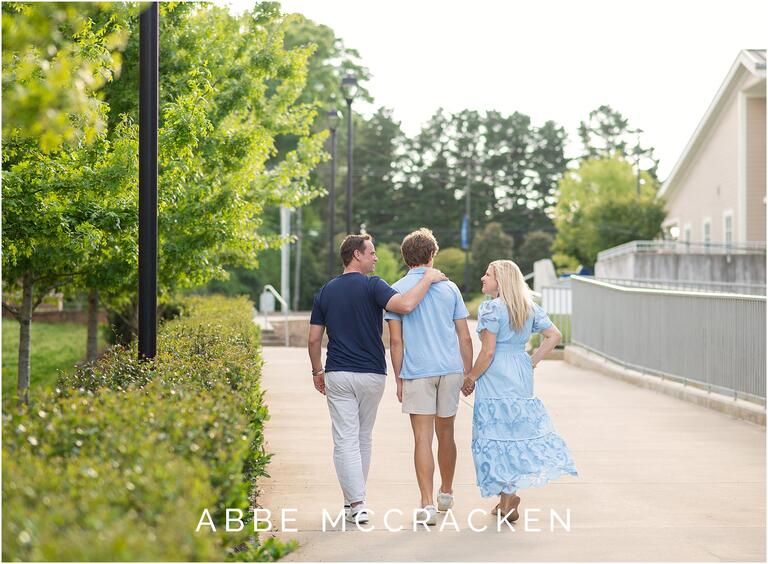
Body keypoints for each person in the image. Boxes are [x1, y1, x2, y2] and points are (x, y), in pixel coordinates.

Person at [307, 234, 447, 525]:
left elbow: (313, 339)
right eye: (371, 253)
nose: (376, 258)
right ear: (356, 255)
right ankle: (356, 501)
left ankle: (353, 501)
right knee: (362, 438)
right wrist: (428, 278)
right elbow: (406, 305)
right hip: (371, 374)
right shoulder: (374, 286)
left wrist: (317, 371)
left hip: (338, 373)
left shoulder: (326, 291)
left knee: (345, 438)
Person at [462, 259, 579, 522]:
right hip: (520, 371)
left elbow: (489, 351)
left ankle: (506, 498)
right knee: (513, 432)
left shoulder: (491, 308)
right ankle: (506, 499)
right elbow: (555, 336)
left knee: (494, 433)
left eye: (488, 274)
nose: (483, 278)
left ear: (500, 281)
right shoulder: (528, 308)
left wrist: (470, 377)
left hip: (496, 374)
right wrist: (533, 360)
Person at [384, 228, 473, 526]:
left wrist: (398, 378)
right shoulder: (450, 288)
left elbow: (395, 342)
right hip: (450, 369)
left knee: (422, 438)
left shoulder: (395, 290)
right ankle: (446, 493)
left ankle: (426, 504)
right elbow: (465, 337)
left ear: (405, 257)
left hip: (417, 371)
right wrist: (467, 372)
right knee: (446, 433)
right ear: (432, 254)